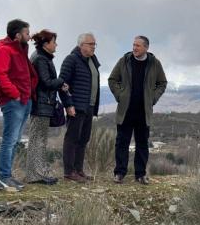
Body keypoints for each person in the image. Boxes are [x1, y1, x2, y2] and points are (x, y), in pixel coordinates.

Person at [108, 35, 167, 184]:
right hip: (125, 110)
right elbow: (112, 79)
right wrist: (120, 95)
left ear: (146, 48)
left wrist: (153, 98)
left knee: (142, 143)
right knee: (122, 142)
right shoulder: (125, 61)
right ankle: (119, 173)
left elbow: (162, 83)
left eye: (138, 46)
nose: (134, 48)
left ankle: (140, 174)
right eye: (133, 45)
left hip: (143, 111)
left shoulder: (154, 63)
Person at [0, 19, 38, 191]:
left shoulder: (19, 49)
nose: (29, 36)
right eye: (27, 33)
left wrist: (25, 96)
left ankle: (8, 177)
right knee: (9, 140)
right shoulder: (4, 50)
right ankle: (4, 177)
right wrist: (16, 94)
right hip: (14, 101)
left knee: (16, 140)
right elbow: (1, 75)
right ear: (18, 35)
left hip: (24, 100)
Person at [24, 29, 68, 185]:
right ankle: (37, 174)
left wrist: (58, 84)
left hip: (42, 103)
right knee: (39, 139)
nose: (56, 45)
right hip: (41, 104)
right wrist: (62, 80)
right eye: (54, 42)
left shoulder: (41, 57)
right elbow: (46, 82)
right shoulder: (41, 59)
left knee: (38, 139)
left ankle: (36, 173)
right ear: (46, 44)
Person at [59, 32, 100, 183]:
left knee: (84, 139)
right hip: (76, 106)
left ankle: (78, 170)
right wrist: (68, 104)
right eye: (91, 44)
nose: (94, 47)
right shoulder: (71, 60)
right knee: (72, 139)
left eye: (95, 44)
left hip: (89, 106)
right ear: (81, 45)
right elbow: (62, 84)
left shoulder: (92, 61)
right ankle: (69, 172)